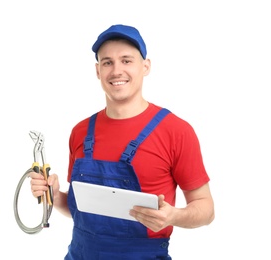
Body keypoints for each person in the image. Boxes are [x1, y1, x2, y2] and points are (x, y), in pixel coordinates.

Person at [30, 24, 215, 259]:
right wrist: (54, 196)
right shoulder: (80, 131)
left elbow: (206, 209)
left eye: (126, 60)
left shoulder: (176, 131)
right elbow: (81, 209)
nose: (116, 70)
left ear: (145, 66)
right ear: (98, 71)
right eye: (107, 62)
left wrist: (173, 216)